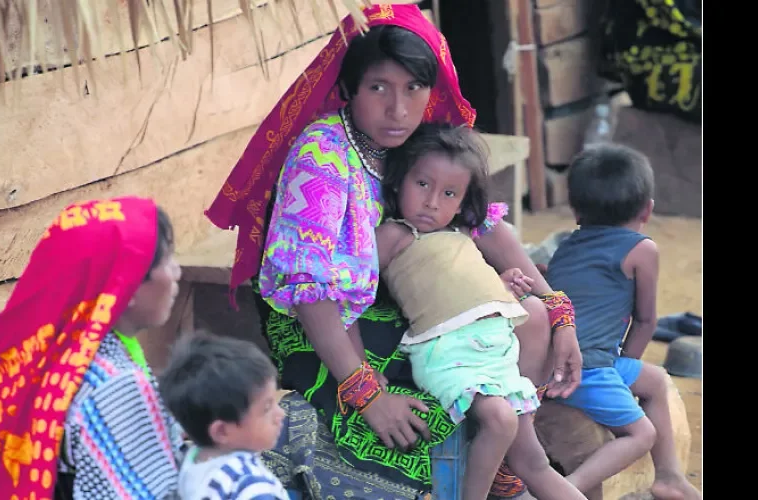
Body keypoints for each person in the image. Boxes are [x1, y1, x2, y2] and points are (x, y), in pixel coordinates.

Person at [205, 4, 583, 498]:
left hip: (398, 295)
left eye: (414, 89)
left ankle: (510, 460)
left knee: (531, 316)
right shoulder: (322, 156)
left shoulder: (411, 141)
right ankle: (499, 465)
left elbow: (479, 220)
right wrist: (368, 393)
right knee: (431, 400)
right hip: (322, 321)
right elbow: (309, 293)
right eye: (379, 87)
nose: (398, 109)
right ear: (349, 88)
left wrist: (558, 309)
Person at [368, 122, 584, 500]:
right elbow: (354, 290)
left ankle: (507, 472)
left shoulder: (462, 233)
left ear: (464, 201)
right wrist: (363, 368)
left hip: (497, 351)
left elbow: (453, 283)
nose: (432, 201)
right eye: (422, 185)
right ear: (400, 181)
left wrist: (498, 286)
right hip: (448, 352)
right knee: (500, 420)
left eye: (448, 193)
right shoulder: (395, 235)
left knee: (534, 461)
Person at [0, 196, 184, 500]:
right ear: (126, 284)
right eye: (168, 261)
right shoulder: (116, 388)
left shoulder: (33, 354)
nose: (177, 273)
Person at [546, 144, 701, 500]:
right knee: (641, 434)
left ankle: (669, 477)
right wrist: (621, 369)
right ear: (647, 210)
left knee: (656, 379)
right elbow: (646, 320)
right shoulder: (642, 249)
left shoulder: (566, 245)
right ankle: (565, 490)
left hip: (557, 358)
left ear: (576, 211)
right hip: (590, 367)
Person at [160, 334, 289, 500]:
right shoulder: (250, 483)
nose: (280, 414)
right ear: (221, 431)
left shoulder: (190, 461)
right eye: (266, 408)